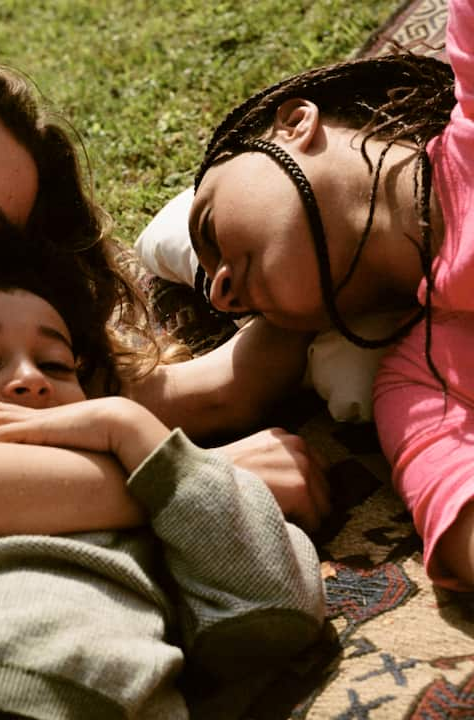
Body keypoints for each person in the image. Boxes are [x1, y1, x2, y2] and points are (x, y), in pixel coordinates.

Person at [0, 252, 323, 720]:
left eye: (55, 364)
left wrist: (138, 436)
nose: (32, 379)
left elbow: (272, 608)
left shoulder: (160, 517)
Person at [182, 0, 474, 591]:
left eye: (208, 226)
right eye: (220, 294)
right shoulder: (420, 383)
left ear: (294, 123)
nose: (222, 291)